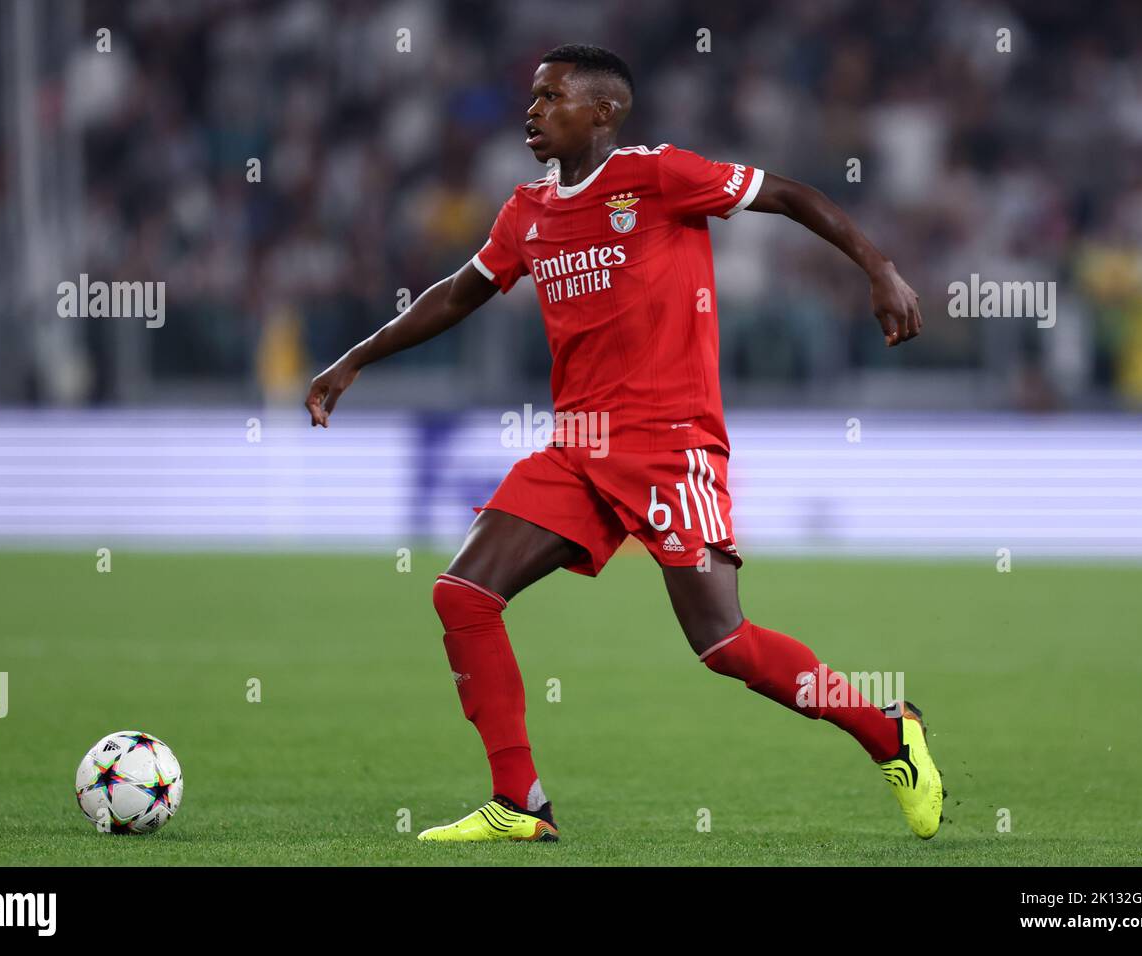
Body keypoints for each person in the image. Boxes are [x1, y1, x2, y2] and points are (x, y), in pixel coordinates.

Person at [306, 44, 940, 843]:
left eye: (551, 97)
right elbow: (458, 293)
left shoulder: (659, 176)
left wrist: (879, 268)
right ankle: (520, 806)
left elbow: (787, 194)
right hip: (577, 445)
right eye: (532, 97)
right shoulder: (527, 210)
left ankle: (889, 733)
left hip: (671, 443)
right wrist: (356, 357)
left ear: (603, 111)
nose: (532, 111)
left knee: (725, 645)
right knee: (463, 594)